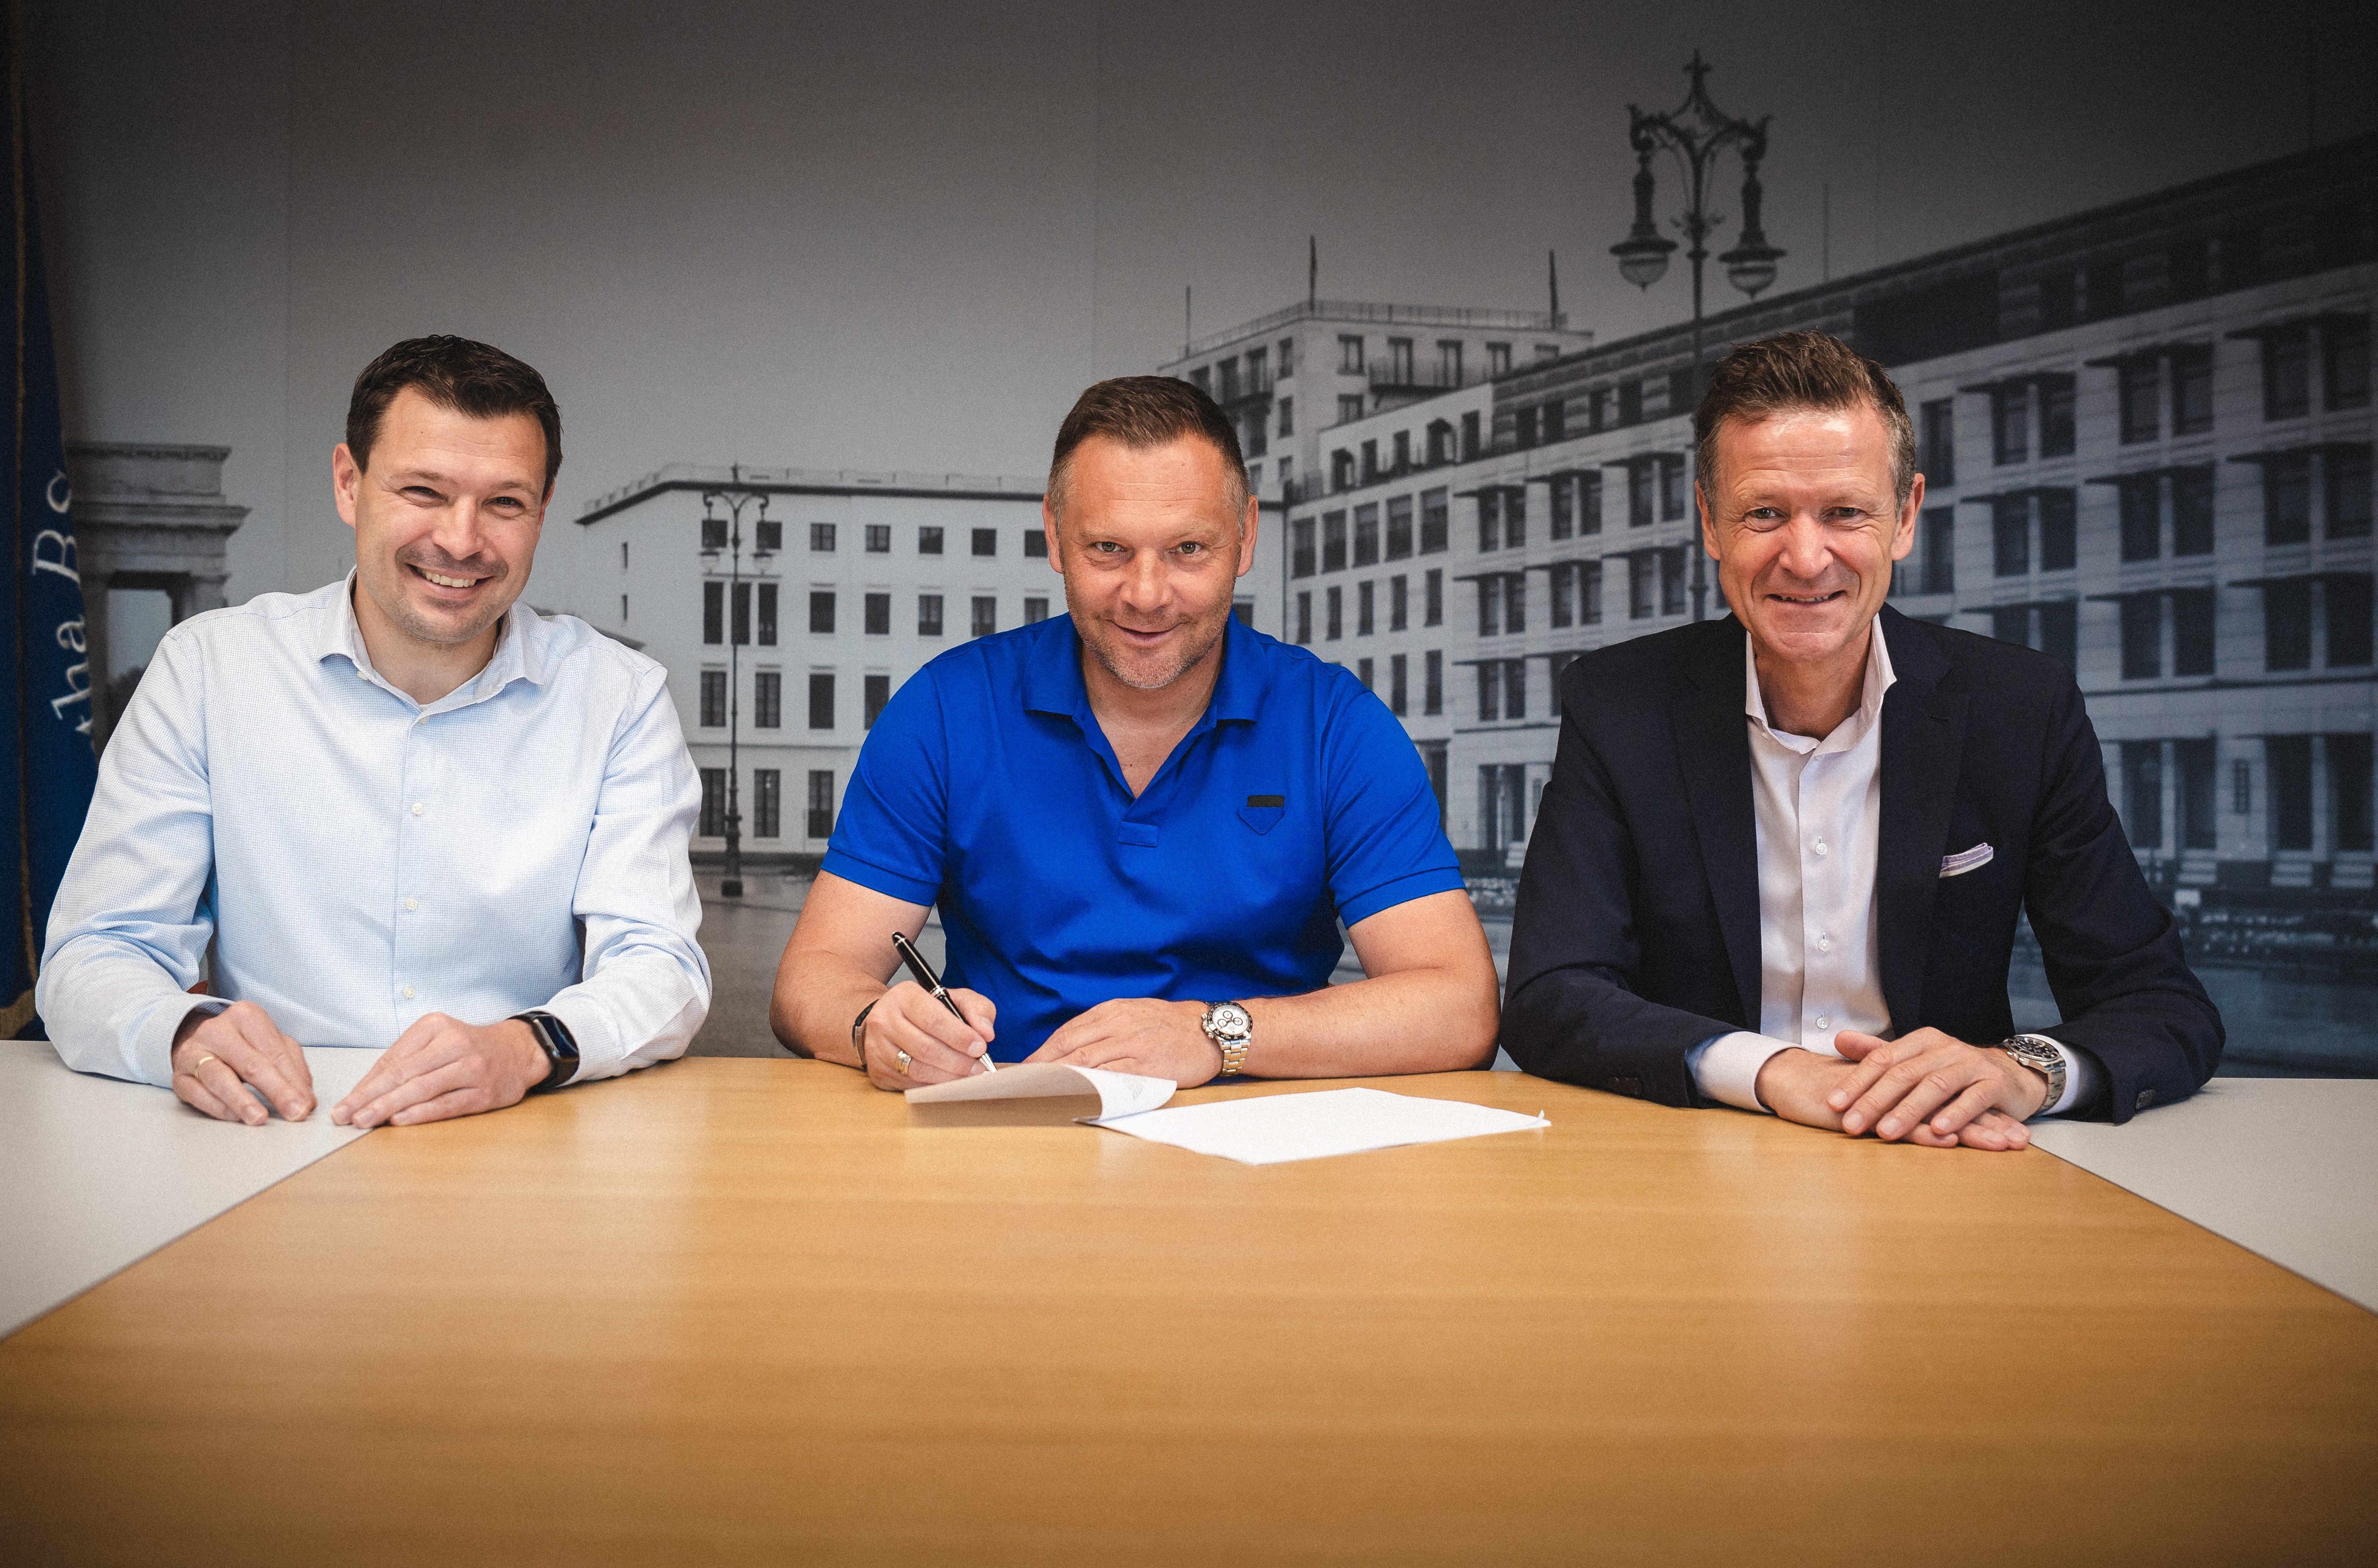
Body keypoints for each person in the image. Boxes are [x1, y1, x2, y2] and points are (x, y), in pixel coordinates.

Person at [1501, 330, 2222, 1148]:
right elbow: (1551, 994)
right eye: (1764, 513)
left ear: (1906, 516)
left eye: (1845, 513)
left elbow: (2161, 1004)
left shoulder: (2021, 709)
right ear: (1709, 521)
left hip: (1940, 1159)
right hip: (1694, 1154)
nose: (1806, 559)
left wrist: (2022, 1071)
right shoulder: (1617, 703)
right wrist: (1770, 1072)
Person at [39, 336, 709, 1128]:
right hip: (272, 1134)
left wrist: (529, 1046)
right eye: (424, 491)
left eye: (504, 503)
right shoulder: (209, 670)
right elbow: (99, 950)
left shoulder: (620, 698)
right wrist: (183, 1033)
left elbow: (660, 965)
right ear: (349, 484)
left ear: (542, 510)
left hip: (520, 1129)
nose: (462, 541)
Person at [772, 376, 1498, 1086]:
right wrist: (876, 1025)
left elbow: (1460, 1007)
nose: (1146, 596)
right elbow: (811, 980)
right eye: (1109, 550)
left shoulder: (1334, 724)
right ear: (1055, 537)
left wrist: (1213, 1034)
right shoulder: (945, 710)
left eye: (1188, 550)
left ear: (1245, 538)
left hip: (1263, 1149)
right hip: (1008, 1144)